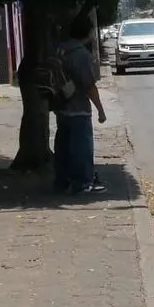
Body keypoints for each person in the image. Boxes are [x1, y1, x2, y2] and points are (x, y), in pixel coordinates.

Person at [53, 13, 107, 194]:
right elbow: (89, 86)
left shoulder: (60, 50)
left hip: (61, 105)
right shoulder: (81, 55)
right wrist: (100, 110)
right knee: (81, 149)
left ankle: (62, 180)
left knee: (63, 147)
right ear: (88, 32)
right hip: (78, 109)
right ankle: (83, 183)